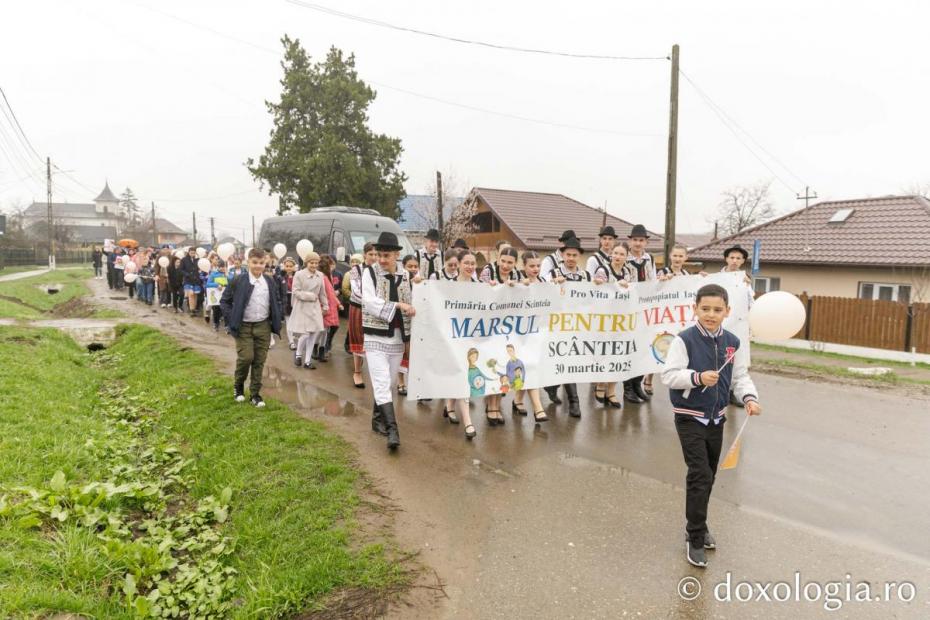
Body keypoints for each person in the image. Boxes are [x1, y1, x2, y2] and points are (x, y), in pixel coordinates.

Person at [660, 283, 762, 568]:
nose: (711, 314)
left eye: (717, 310)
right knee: (700, 474)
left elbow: (740, 376)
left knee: (709, 475)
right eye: (705, 309)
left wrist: (750, 398)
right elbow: (669, 375)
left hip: (716, 418)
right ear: (695, 309)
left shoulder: (732, 342)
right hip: (689, 415)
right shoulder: (685, 340)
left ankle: (699, 523)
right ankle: (694, 536)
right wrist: (697, 378)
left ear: (727, 311)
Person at [363, 232, 415, 451]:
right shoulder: (369, 273)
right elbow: (369, 301)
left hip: (397, 338)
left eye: (386, 255)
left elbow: (416, 299)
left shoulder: (407, 275)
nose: (381, 260)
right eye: (379, 255)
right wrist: (398, 305)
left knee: (390, 383)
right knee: (382, 383)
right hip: (374, 336)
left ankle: (377, 420)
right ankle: (393, 431)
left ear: (396, 255)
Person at [219, 247, 282, 407]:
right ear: (248, 262)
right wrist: (232, 318)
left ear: (265, 263)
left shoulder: (269, 281)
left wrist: (278, 315)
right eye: (255, 262)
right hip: (244, 327)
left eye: (261, 263)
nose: (258, 266)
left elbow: (277, 300)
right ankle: (238, 386)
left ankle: (255, 394)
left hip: (263, 325)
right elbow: (224, 301)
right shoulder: (238, 280)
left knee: (259, 361)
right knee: (246, 358)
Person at [542, 236, 589, 417]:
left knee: (570, 362)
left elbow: (594, 297)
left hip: (578, 325)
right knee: (562, 360)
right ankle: (566, 396)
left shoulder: (586, 276)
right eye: (568, 254)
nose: (571, 258)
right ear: (562, 255)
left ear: (579, 256)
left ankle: (561, 392)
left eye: (574, 255)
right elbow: (539, 291)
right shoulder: (552, 274)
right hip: (557, 325)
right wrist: (552, 285)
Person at [592, 243, 633, 408]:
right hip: (604, 318)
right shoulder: (603, 270)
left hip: (621, 319)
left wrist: (627, 286)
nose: (618, 256)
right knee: (604, 353)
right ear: (611, 254)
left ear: (626, 257)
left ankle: (611, 390)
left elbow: (631, 291)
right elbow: (597, 286)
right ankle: (600, 385)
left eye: (621, 254)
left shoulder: (627, 272)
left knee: (618, 354)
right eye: (615, 253)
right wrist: (599, 283)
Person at [511, 251, 548, 422]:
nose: (535, 269)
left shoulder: (543, 283)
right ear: (523, 266)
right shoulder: (516, 280)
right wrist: (519, 286)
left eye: (538, 266)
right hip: (520, 334)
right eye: (531, 266)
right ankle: (538, 408)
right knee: (528, 367)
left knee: (531, 367)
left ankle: (518, 400)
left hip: (538, 332)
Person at [624, 224, 656, 404]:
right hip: (628, 308)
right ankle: (627, 388)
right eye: (635, 240)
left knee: (643, 347)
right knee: (630, 348)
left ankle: (637, 384)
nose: (638, 243)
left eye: (641, 240)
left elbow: (653, 281)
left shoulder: (649, 258)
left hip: (644, 308)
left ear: (646, 242)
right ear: (630, 241)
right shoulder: (624, 256)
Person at [289, 251, 328, 370]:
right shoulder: (299, 274)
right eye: (312, 263)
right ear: (306, 263)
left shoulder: (320, 275)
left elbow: (322, 292)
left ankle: (307, 361)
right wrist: (310, 296)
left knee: (314, 334)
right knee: (305, 334)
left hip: (315, 308)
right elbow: (295, 291)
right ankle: (298, 354)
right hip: (302, 306)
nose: (314, 265)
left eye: (316, 263)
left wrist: (325, 305)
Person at [348, 243, 378, 388]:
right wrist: (372, 302)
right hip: (359, 307)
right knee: (359, 339)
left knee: (375, 340)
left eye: (376, 254)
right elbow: (356, 290)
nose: (374, 257)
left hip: (375, 309)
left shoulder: (380, 270)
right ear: (365, 254)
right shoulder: (356, 269)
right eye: (371, 254)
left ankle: (375, 373)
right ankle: (357, 372)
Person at [397, 254, 420, 395]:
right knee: (403, 352)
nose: (413, 269)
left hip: (418, 323)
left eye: (415, 266)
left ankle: (417, 385)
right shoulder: (399, 280)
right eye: (409, 266)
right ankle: (401, 382)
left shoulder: (422, 282)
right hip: (402, 321)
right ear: (404, 267)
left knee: (416, 355)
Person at [317, 255, 343, 362]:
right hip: (325, 307)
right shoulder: (322, 278)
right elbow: (322, 294)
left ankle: (323, 349)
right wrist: (324, 305)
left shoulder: (329, 277)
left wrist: (338, 303)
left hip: (331, 306)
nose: (333, 267)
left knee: (327, 329)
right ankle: (316, 349)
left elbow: (332, 293)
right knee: (321, 330)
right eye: (331, 265)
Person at [205, 258, 228, 331]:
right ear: (217, 267)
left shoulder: (227, 274)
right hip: (216, 296)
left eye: (223, 266)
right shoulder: (213, 274)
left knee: (225, 310)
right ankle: (216, 324)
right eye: (220, 267)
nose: (222, 268)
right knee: (216, 309)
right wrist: (216, 285)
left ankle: (227, 326)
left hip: (225, 295)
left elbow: (231, 283)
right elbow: (208, 284)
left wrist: (227, 276)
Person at [180, 247, 202, 316]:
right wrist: (187, 274)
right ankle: (191, 309)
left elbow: (200, 267)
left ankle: (194, 309)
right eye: (191, 253)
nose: (192, 254)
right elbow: (181, 270)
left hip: (196, 279)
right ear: (188, 252)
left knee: (195, 294)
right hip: (188, 279)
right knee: (191, 294)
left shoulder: (198, 260)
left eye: (194, 253)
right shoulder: (184, 260)